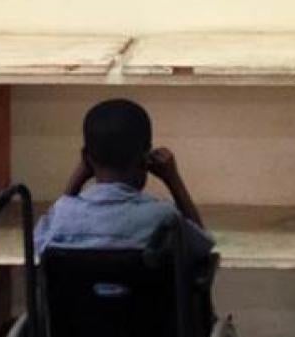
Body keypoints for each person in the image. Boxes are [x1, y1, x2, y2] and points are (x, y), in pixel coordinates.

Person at [34, 98, 213, 261]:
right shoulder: (165, 219)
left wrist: (76, 180)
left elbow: (39, 244)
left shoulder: (63, 216)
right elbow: (202, 249)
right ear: (146, 157)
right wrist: (173, 180)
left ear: (86, 158)